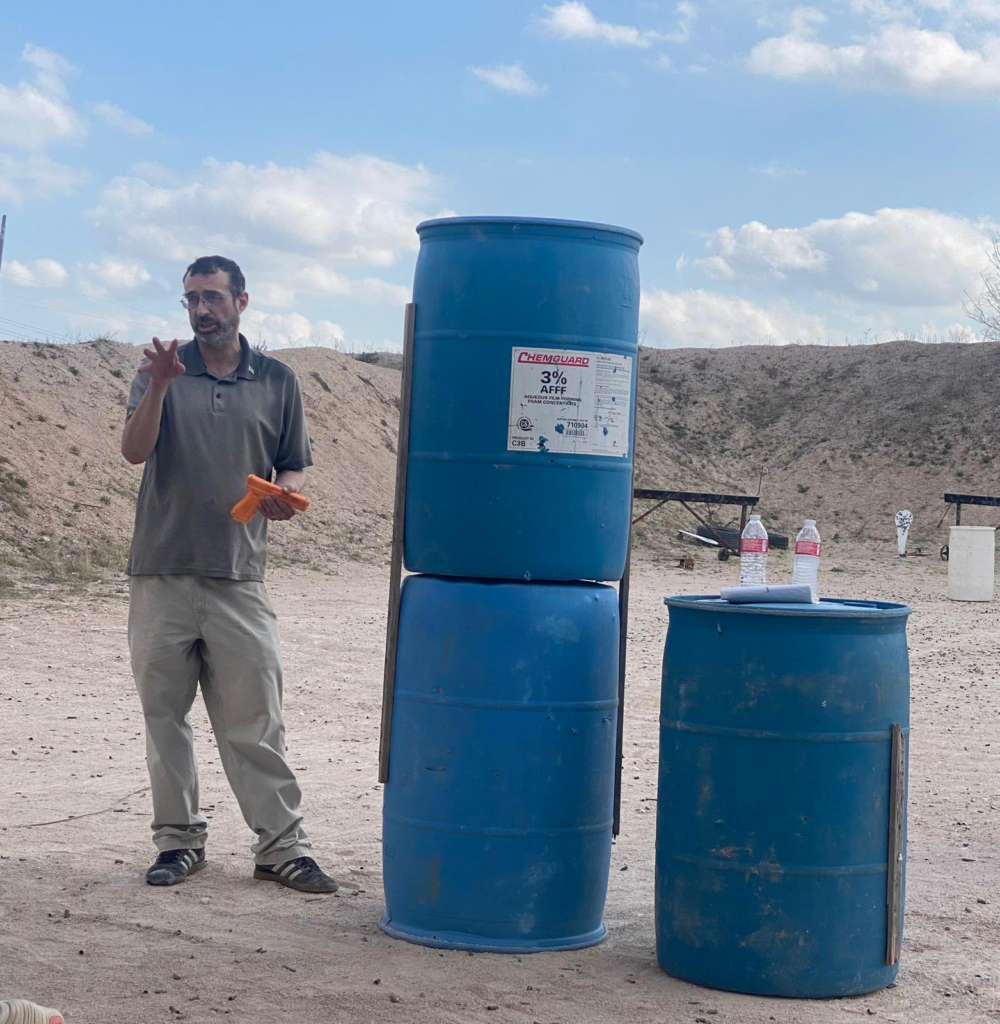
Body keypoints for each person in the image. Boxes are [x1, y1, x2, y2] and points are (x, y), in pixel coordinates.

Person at [121, 255, 337, 893]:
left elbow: (293, 462)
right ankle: (178, 842)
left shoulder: (277, 380)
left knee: (255, 719)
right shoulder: (159, 370)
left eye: (213, 297)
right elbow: (134, 451)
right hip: (160, 570)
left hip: (239, 574)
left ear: (242, 301)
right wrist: (160, 386)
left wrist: (285, 492)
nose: (201, 310)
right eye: (191, 299)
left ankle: (281, 848)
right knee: (165, 717)